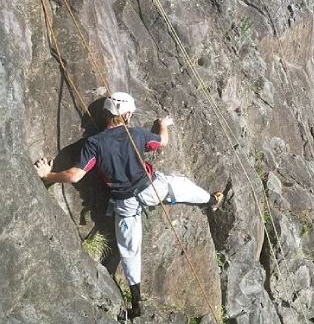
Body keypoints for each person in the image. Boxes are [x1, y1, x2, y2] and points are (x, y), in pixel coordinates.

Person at [34, 92, 223, 317]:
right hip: (151, 189)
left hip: (124, 203)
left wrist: (48, 175)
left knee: (130, 250)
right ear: (126, 114)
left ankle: (136, 301)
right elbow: (162, 141)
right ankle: (211, 200)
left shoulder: (93, 143)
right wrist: (163, 125)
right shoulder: (136, 133)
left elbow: (75, 175)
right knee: (180, 186)